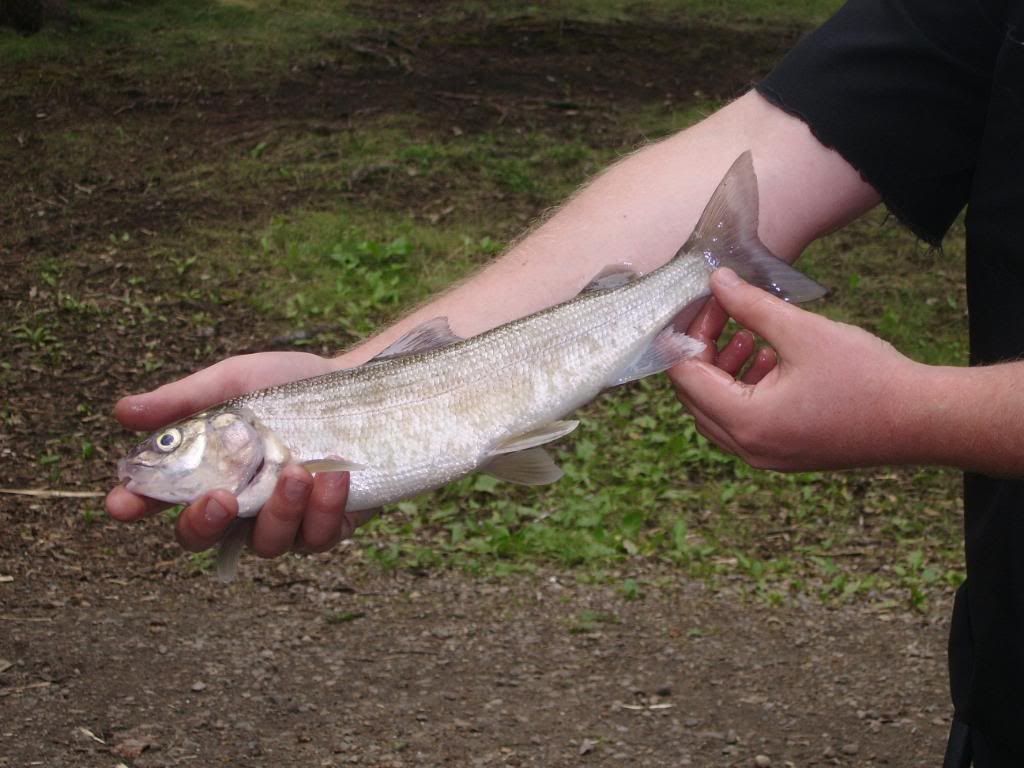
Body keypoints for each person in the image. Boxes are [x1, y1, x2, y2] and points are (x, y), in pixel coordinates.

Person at [107, 0, 1023, 763]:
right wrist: (349, 379)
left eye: (171, 442)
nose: (158, 457)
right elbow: (795, 132)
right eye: (168, 445)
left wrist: (920, 412)